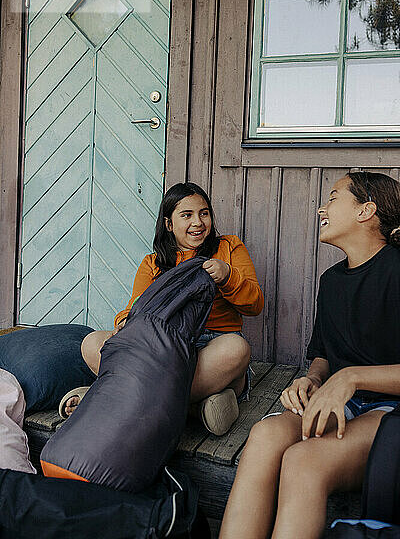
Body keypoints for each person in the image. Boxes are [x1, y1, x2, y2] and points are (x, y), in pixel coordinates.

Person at [219, 171, 400, 539]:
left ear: (366, 210)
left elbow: (347, 374)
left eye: (333, 197)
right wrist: (313, 379)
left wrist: (350, 378)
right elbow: (323, 355)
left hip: (391, 413)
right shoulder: (332, 282)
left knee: (305, 461)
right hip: (342, 404)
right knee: (266, 434)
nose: (322, 207)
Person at [60, 182, 264, 435]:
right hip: (162, 347)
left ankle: (106, 397)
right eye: (186, 215)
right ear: (169, 224)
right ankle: (197, 407)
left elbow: (255, 304)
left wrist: (228, 276)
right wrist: (124, 325)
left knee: (237, 349)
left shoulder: (229, 247)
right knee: (92, 343)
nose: (198, 222)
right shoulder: (153, 264)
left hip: (212, 346)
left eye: (204, 213)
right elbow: (132, 309)